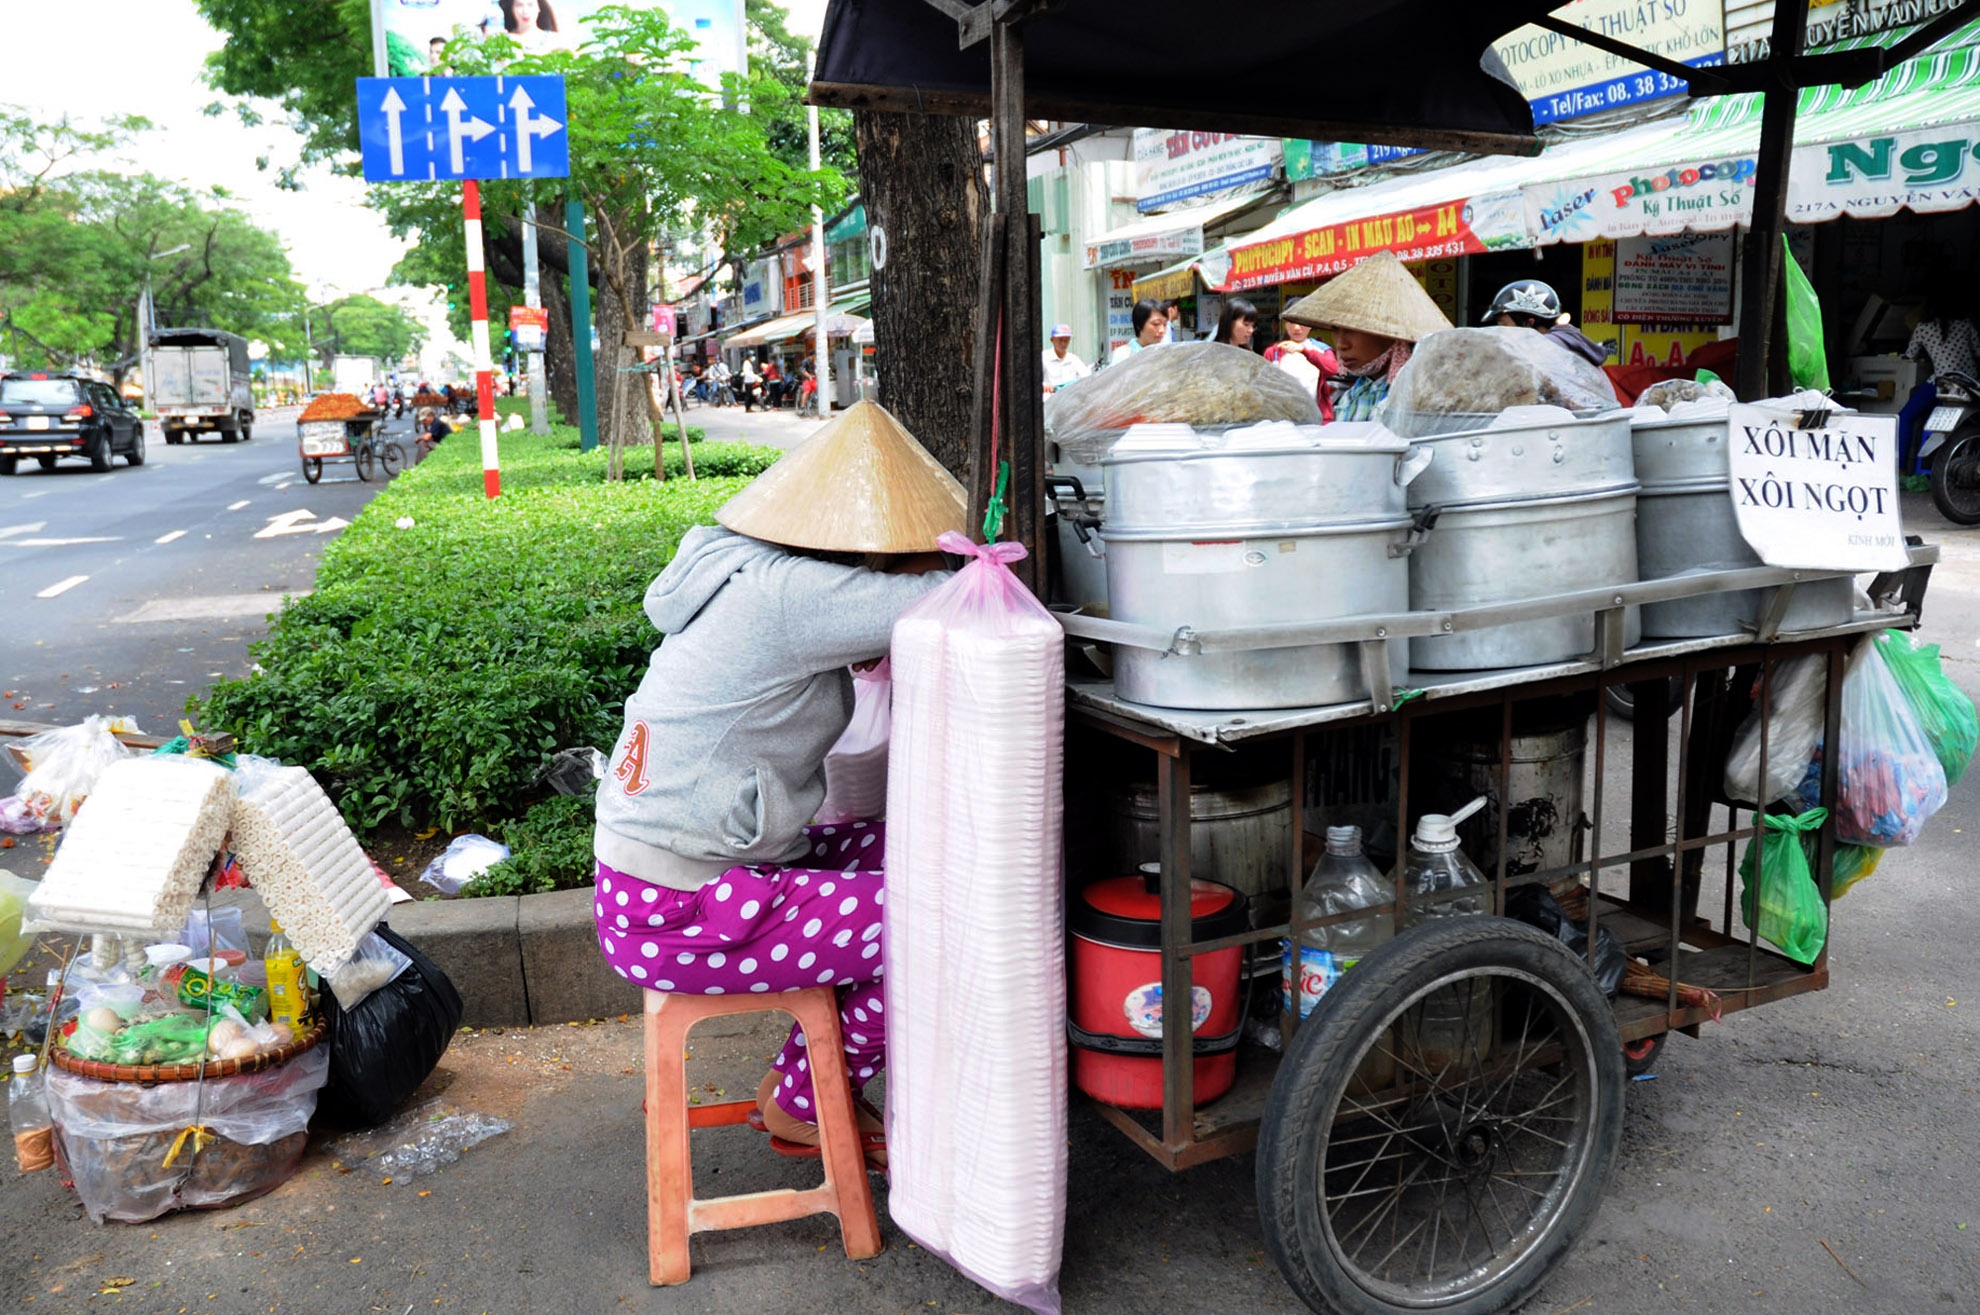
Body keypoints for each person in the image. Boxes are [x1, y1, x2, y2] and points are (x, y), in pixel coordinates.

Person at [593, 401, 964, 1165]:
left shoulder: (741, 566)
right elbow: (953, 590)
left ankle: (808, 1082)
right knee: (945, 923)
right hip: (684, 911)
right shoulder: (790, 596)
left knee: (911, 845)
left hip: (673, 882)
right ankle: (805, 1101)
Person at [1281, 250, 1452, 423]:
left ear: (1391, 335)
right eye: (1336, 329)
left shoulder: (1419, 397)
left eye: (1351, 330)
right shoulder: (1352, 395)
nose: (1341, 344)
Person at [1482, 280, 1611, 367]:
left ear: (1528, 323)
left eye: (1503, 325)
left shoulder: (1546, 349)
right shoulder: (1564, 342)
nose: (1500, 332)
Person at [1264, 319, 1339, 422]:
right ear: (1285, 324)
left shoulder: (1321, 349)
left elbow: (1332, 368)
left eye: (1302, 323)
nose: (1296, 328)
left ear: (1310, 325)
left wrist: (1304, 351)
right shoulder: (1274, 352)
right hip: (1282, 419)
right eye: (1291, 322)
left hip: (1317, 418)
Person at [1110, 299, 1168, 365]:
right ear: (1139, 325)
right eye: (1156, 324)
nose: (1162, 330)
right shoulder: (1124, 355)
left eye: (1165, 324)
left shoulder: (1166, 354)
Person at [1041, 323, 1090, 394]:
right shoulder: (1044, 357)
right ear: (1052, 340)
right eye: (1060, 340)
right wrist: (1044, 386)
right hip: (1050, 400)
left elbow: (1087, 377)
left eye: (1066, 340)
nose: (1063, 343)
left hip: (1070, 400)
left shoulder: (1073, 359)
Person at [499, 0, 563, 52]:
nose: (525, 11)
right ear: (512, 9)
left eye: (530, 5)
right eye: (519, 5)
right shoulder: (504, 41)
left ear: (539, 8)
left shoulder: (554, 40)